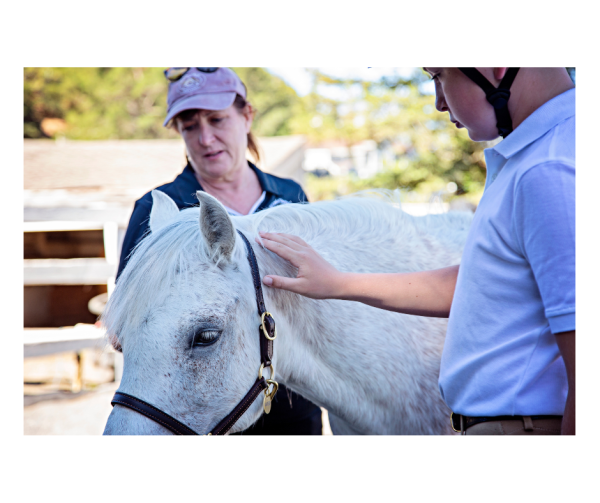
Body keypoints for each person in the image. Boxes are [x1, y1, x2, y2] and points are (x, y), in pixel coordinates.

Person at [258, 67, 575, 435]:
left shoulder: (548, 169)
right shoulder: (533, 157)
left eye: (439, 76)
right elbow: (478, 284)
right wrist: (337, 283)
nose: (439, 101)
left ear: (494, 67)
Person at [116, 67, 322, 435]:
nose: (205, 138)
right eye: (189, 126)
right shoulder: (158, 209)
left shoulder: (290, 196)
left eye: (217, 119)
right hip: (202, 411)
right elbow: (126, 325)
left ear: (247, 116)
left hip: (293, 404)